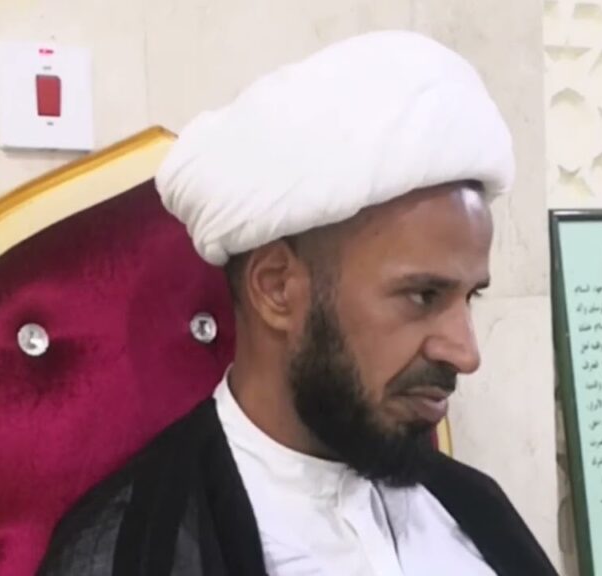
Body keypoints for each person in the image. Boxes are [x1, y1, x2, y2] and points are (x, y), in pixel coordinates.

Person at [37, 30, 557, 576]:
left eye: (470, 297)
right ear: (276, 289)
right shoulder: (134, 549)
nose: (466, 353)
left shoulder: (474, 508)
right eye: (423, 296)